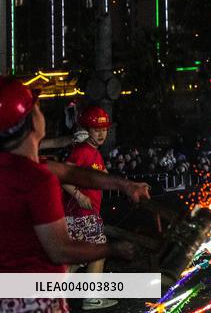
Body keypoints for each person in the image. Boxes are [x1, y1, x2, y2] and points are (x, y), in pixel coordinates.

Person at [0, 77, 150, 313]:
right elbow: (59, 250)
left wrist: (125, 185)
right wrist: (113, 249)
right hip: (30, 302)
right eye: (37, 108)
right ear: (30, 123)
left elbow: (70, 171)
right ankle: (92, 295)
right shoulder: (37, 181)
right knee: (85, 251)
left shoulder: (16, 166)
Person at [61, 106, 114, 310]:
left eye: (104, 130)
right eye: (96, 129)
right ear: (87, 130)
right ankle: (92, 298)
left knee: (77, 258)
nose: (101, 134)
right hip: (82, 214)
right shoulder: (83, 151)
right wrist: (79, 195)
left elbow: (97, 175)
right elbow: (63, 176)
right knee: (97, 251)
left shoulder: (94, 154)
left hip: (84, 214)